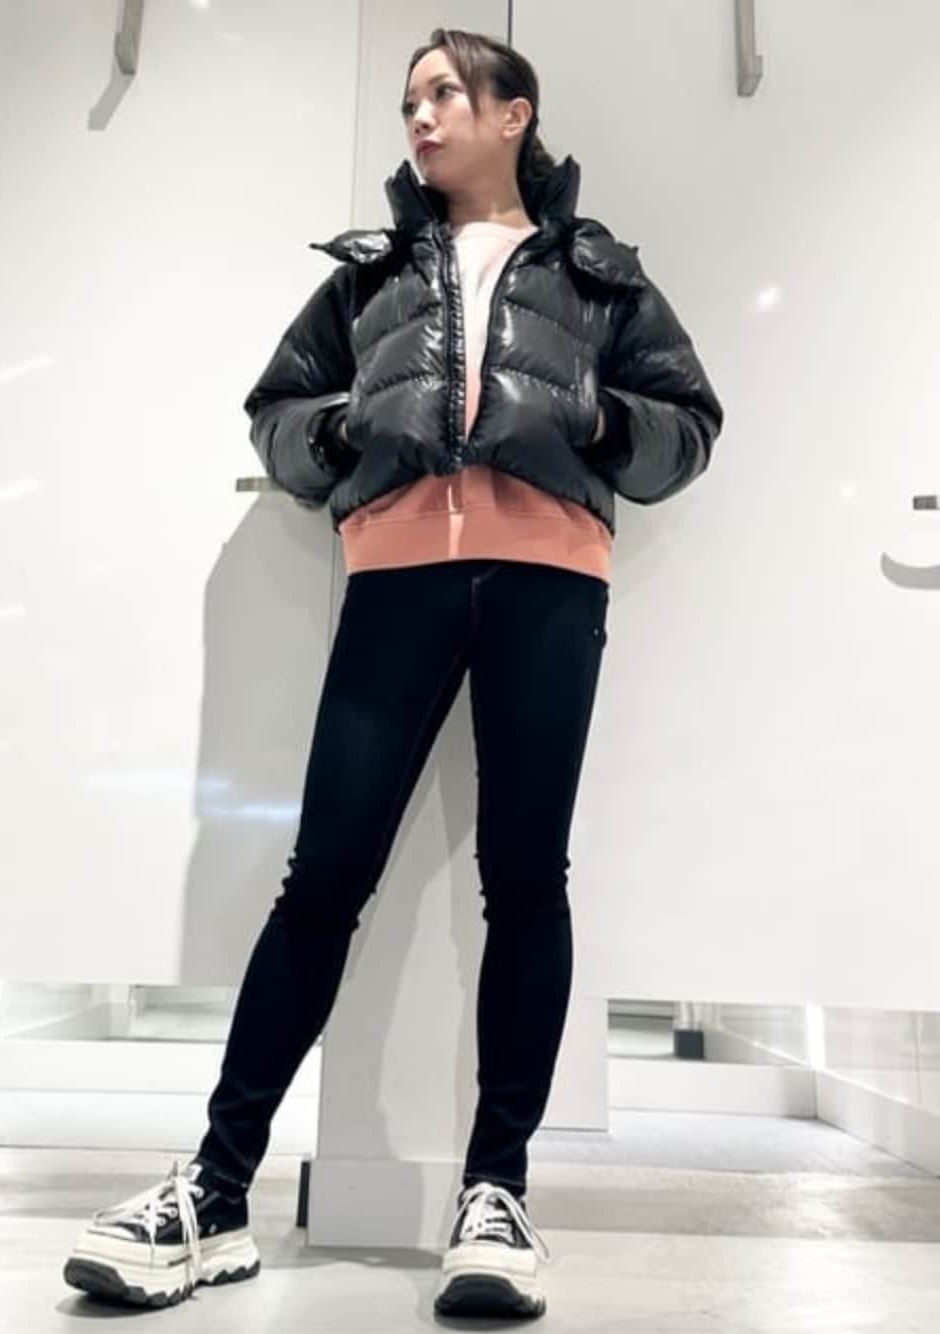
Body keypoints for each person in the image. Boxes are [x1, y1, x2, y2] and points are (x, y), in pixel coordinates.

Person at [63, 26, 723, 1321]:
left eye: (445, 94)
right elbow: (277, 414)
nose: (420, 117)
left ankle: (497, 1195)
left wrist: (594, 417)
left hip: (548, 583)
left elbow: (688, 428)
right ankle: (214, 1189)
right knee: (323, 879)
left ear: (514, 113)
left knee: (526, 883)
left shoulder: (598, 272)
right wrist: (349, 428)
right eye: (410, 98)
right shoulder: (369, 274)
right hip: (399, 580)